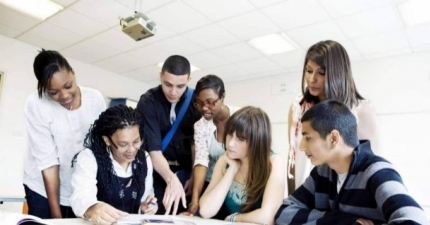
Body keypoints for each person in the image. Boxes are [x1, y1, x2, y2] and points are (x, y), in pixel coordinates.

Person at [276, 99, 428, 225]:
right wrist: (339, 220)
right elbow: (283, 213)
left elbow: (415, 221)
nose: (301, 146)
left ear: (333, 138)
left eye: (307, 137)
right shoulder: (322, 172)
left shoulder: (377, 171)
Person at [23, 50, 106, 219]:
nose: (64, 95)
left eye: (68, 86)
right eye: (53, 92)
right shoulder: (36, 104)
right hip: (43, 188)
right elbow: (48, 163)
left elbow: (101, 148)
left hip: (80, 185)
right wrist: (56, 216)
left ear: (73, 73)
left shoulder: (95, 99)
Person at [287, 40, 378, 193]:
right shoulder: (298, 107)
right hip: (304, 193)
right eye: (309, 71)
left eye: (321, 73)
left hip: (343, 197)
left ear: (337, 74)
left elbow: (370, 166)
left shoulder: (360, 110)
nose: (311, 79)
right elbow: (293, 156)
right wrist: (292, 196)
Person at [136, 55, 201, 215]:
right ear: (160, 76)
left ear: (189, 80)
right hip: (158, 171)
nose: (173, 92)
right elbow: (154, 150)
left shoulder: (195, 100)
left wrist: (194, 175)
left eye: (180, 86)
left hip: (187, 173)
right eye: (168, 84)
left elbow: (197, 143)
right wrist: (171, 179)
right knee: (158, 215)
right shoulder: (148, 102)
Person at [70, 105, 157, 224]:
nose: (131, 150)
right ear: (107, 140)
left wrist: (148, 205)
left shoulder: (144, 159)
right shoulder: (90, 158)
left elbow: (147, 195)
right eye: (123, 145)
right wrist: (93, 208)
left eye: (136, 142)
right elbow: (80, 196)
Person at [199, 106, 285, 225]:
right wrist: (232, 170)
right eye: (229, 134)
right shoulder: (225, 161)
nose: (230, 143)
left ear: (257, 140)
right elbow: (205, 211)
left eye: (240, 139)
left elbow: (267, 217)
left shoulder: (274, 162)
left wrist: (234, 218)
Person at [184, 74, 240, 216]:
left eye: (210, 102)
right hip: (210, 184)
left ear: (223, 97)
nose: (204, 108)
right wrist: (195, 200)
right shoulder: (200, 125)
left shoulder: (240, 117)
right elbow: (201, 160)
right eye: (199, 103)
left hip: (235, 185)